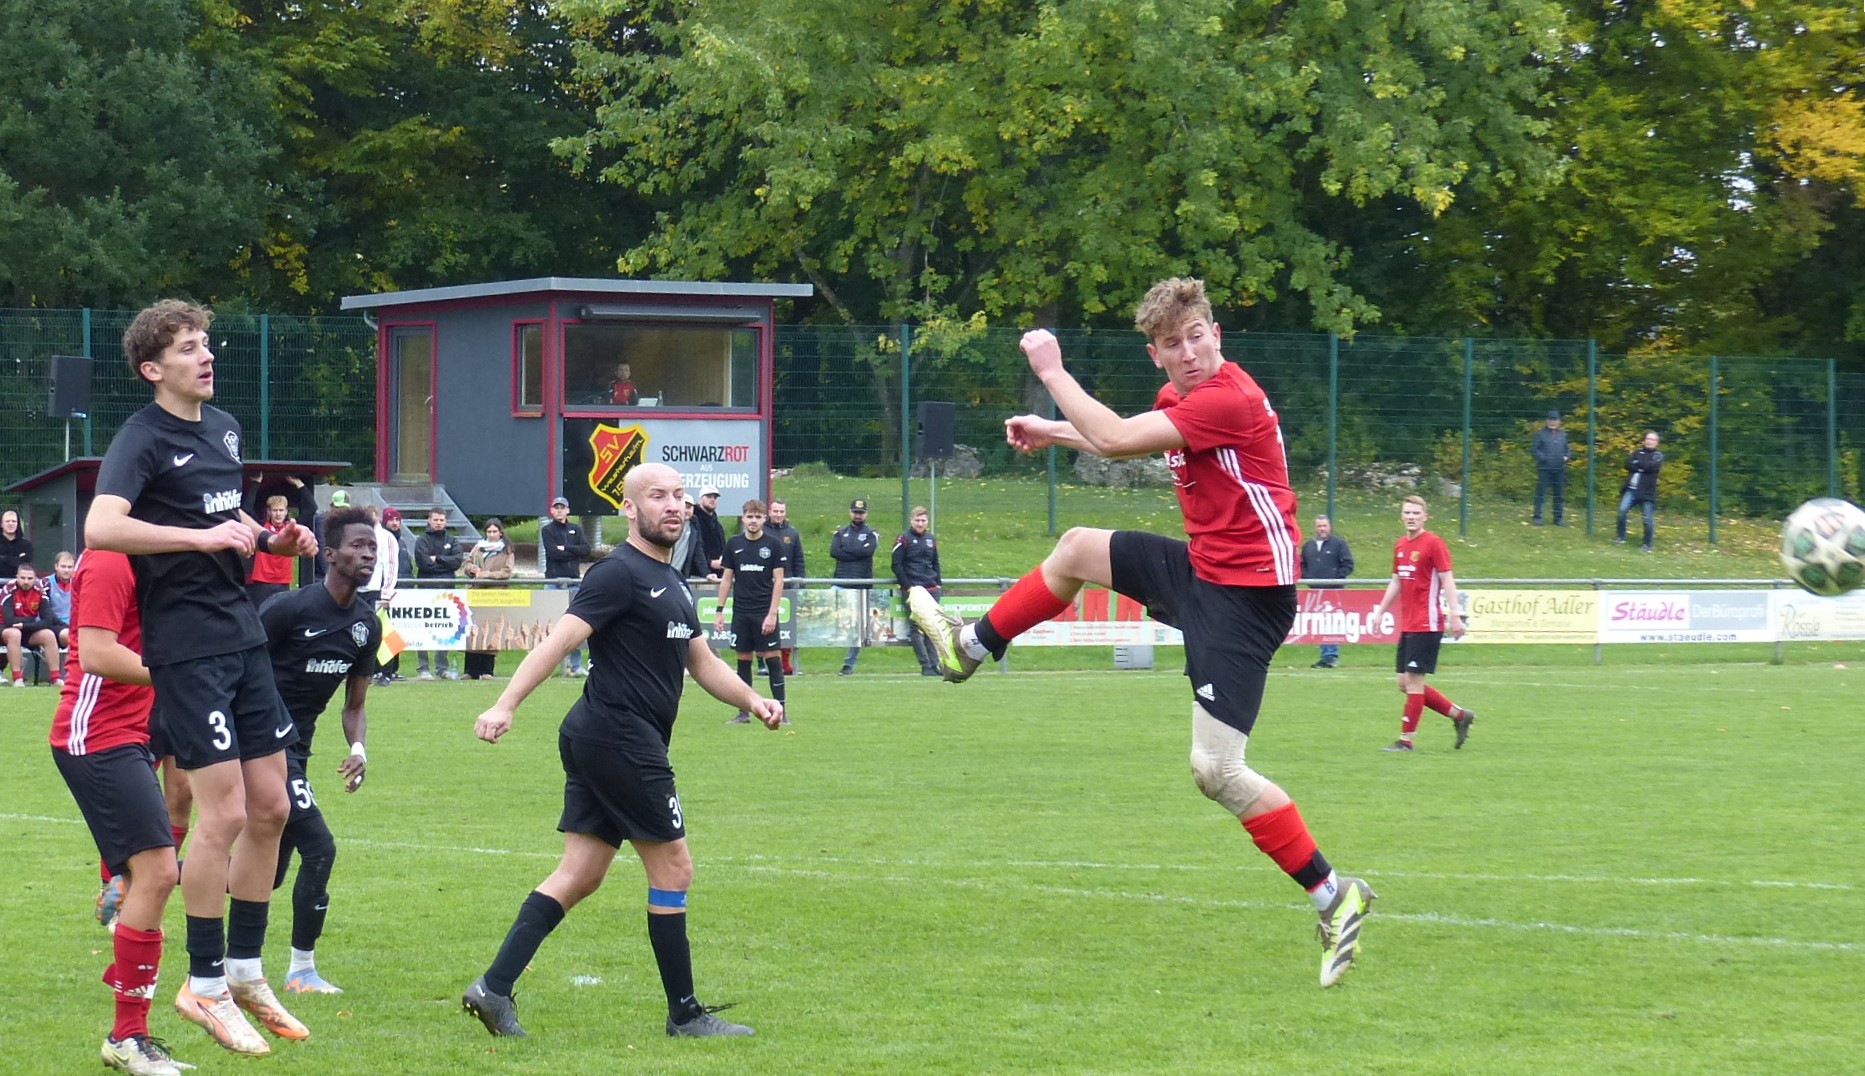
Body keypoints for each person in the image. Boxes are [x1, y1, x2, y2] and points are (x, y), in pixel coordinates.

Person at [907, 278, 1375, 988]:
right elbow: (1126, 440)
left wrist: (1051, 372)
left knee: (1216, 771)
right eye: (1171, 344)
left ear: (1217, 335)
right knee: (1074, 549)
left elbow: (1115, 437)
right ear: (1154, 354)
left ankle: (1333, 894)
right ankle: (965, 646)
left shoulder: (1230, 398)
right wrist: (1052, 431)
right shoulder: (1182, 400)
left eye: (1196, 337)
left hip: (1246, 601)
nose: (1188, 353)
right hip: (1205, 571)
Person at [460, 462, 783, 1040]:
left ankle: (493, 988)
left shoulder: (674, 582)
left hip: (602, 736)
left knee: (580, 873)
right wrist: (505, 704)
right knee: (675, 867)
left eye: (679, 495)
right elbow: (559, 640)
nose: (673, 505)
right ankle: (685, 1014)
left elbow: (702, 661)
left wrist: (753, 699)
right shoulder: (617, 573)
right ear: (629, 509)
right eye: (658, 496)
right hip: (619, 736)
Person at [85, 298, 318, 1058]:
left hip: (242, 635)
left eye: (206, 342)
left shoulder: (222, 428)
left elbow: (230, 531)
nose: (206, 355)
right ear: (153, 369)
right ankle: (205, 982)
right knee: (222, 814)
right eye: (188, 348)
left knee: (273, 808)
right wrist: (198, 536)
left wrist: (272, 540)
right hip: (186, 650)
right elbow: (102, 526)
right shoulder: (140, 437)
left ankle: (245, 971)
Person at [50, 548, 193, 1075]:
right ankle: (126, 1035)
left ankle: (128, 1014)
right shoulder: (111, 558)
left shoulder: (153, 556)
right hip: (96, 735)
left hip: (133, 729)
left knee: (153, 871)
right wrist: (181, 676)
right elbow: (96, 654)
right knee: (158, 872)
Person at [256, 506, 380, 997]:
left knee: (266, 875)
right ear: (329, 554)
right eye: (357, 545)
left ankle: (146, 874)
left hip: (297, 751)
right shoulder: (288, 609)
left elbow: (355, 705)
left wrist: (359, 748)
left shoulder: (367, 625)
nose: (367, 554)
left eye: (372, 547)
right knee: (321, 848)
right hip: (262, 746)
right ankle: (301, 972)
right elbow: (240, 668)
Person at [1367, 496, 1476, 753]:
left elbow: (1447, 579)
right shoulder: (1400, 545)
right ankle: (1460, 716)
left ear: (1425, 517)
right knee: (1403, 683)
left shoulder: (1434, 543)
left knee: (1414, 682)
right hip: (1408, 625)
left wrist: (1455, 614)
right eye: (1407, 512)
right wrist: (1380, 611)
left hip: (1427, 624)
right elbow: (1396, 580)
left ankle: (1405, 741)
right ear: (1401, 516)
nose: (1411, 517)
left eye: (1416, 513)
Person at [715, 499, 789, 725]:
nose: (753, 521)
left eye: (758, 517)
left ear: (764, 519)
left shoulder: (773, 545)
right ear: (743, 518)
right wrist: (719, 610)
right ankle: (743, 712)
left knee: (773, 660)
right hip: (741, 613)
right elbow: (727, 579)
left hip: (763, 612)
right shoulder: (734, 544)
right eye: (749, 516)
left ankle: (782, 711)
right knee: (743, 660)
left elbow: (779, 581)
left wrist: (772, 613)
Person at [541, 496, 591, 677]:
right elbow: (553, 553)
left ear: (568, 510)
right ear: (552, 511)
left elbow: (586, 550)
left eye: (562, 507)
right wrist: (572, 550)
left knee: (575, 626)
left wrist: (566, 548)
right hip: (554, 582)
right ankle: (546, 667)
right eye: (556, 508)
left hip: (573, 582)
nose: (559, 511)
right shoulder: (547, 530)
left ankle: (575, 666)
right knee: (550, 626)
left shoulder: (576, 529)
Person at [829, 497, 879, 675]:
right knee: (823, 617)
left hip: (861, 585)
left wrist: (847, 551)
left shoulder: (872, 533)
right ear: (850, 513)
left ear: (866, 514)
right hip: (840, 583)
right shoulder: (840, 532)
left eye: (861, 512)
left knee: (858, 627)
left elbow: (868, 551)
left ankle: (848, 664)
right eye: (855, 512)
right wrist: (857, 551)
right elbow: (834, 551)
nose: (858, 515)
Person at [413, 507, 464, 680]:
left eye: (442, 520)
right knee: (423, 628)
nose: (439, 523)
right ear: (429, 520)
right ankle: (423, 668)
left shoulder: (452, 540)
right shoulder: (422, 540)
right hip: (426, 590)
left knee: (445, 629)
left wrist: (439, 558)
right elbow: (424, 563)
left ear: (446, 521)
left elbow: (457, 561)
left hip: (447, 590)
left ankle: (442, 668)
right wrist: (444, 564)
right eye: (436, 520)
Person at [893, 506, 943, 676]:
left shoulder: (930, 539)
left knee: (932, 628)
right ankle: (925, 665)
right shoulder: (903, 539)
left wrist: (938, 583)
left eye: (923, 521)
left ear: (927, 522)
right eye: (917, 520)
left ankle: (935, 665)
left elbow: (935, 562)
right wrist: (908, 586)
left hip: (931, 588)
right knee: (917, 627)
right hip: (913, 589)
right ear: (911, 520)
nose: (920, 524)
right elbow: (896, 565)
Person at [1299, 515, 1354, 669]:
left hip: (1333, 591)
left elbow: (1348, 564)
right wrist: (1308, 579)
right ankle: (1325, 656)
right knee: (1319, 622)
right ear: (1315, 528)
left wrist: (1337, 578)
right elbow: (1301, 565)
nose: (1322, 529)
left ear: (1329, 527)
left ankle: (1331, 656)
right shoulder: (1308, 546)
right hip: (1315, 592)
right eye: (1319, 526)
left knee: (1331, 621)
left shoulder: (1339, 544)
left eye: (1324, 526)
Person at [462, 519, 514, 680]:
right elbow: (467, 562)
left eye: (494, 532)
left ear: (500, 533)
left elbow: (507, 572)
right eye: (489, 532)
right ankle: (470, 670)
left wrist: (488, 575)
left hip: (494, 594)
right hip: (476, 593)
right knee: (473, 629)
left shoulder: (506, 551)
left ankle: (487, 670)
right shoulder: (479, 547)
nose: (492, 535)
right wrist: (471, 569)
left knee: (491, 630)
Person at [5, 561, 61, 687]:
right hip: (6, 629)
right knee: (14, 634)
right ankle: (17, 679)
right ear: (17, 577)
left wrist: (25, 624)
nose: (26, 581)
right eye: (23, 578)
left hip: (27, 630)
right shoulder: (9, 589)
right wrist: (33, 619)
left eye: (30, 578)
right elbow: (9, 620)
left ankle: (55, 678)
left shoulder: (40, 592)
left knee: (48, 634)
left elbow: (47, 621)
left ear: (35, 578)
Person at [374, 506, 412, 685]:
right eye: (391, 520)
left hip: (400, 590)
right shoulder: (383, 538)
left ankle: (391, 670)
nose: (395, 523)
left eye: (397, 520)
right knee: (382, 631)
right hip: (385, 591)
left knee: (393, 632)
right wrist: (386, 591)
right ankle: (380, 670)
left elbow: (403, 566)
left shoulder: (400, 541)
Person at [766, 498, 804, 675]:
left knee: (786, 625)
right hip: (765, 586)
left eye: (781, 511)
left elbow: (798, 561)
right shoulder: (762, 531)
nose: (778, 514)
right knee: (764, 624)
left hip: (787, 586)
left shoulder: (792, 534)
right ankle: (763, 663)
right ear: (769, 512)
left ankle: (785, 663)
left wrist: (799, 584)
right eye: (775, 511)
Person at [247, 495, 297, 609]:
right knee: (261, 614)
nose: (278, 514)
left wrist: (301, 486)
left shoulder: (291, 529)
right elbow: (247, 509)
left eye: (281, 510)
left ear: (286, 512)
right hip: (262, 581)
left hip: (283, 581)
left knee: (282, 615)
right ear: (269, 512)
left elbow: (311, 508)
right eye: (275, 510)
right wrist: (256, 485)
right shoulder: (261, 527)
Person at [1616, 430, 1663, 552]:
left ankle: (1647, 545)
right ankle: (1620, 537)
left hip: (1647, 492)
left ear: (1656, 442)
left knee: (1647, 519)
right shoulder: (1637, 452)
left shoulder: (1658, 455)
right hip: (1631, 489)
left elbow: (1652, 467)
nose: (1649, 441)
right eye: (1648, 438)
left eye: (1652, 439)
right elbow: (1628, 464)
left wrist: (1638, 464)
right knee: (1621, 511)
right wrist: (1642, 466)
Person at [1530, 410, 1570, 526]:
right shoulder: (1540, 434)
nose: (1553, 422)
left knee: (1559, 495)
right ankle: (1537, 517)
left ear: (1559, 422)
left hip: (1559, 469)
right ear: (1547, 421)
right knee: (1540, 493)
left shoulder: (1563, 434)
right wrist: (1544, 458)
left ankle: (1558, 518)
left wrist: (1566, 456)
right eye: (1551, 420)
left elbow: (1567, 449)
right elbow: (1534, 449)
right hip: (1544, 469)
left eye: (1555, 420)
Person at [692, 486, 726, 575]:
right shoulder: (693, 522)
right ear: (700, 499)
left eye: (715, 497)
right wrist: (709, 562)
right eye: (708, 496)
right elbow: (693, 549)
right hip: (696, 575)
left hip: (716, 574)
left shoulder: (717, 525)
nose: (712, 499)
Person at [47, 549, 76, 648]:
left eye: (70, 567)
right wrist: (66, 626)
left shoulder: (78, 584)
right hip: (53, 625)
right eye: (63, 566)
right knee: (70, 635)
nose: (66, 570)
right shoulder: (46, 583)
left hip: (74, 625)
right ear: (56, 566)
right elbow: (47, 613)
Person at [0, 507, 32, 574]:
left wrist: (3, 558)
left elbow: (26, 566)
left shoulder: (26, 545)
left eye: (14, 521)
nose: (10, 523)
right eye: (7, 521)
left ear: (18, 524)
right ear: (1, 524)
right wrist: (17, 560)